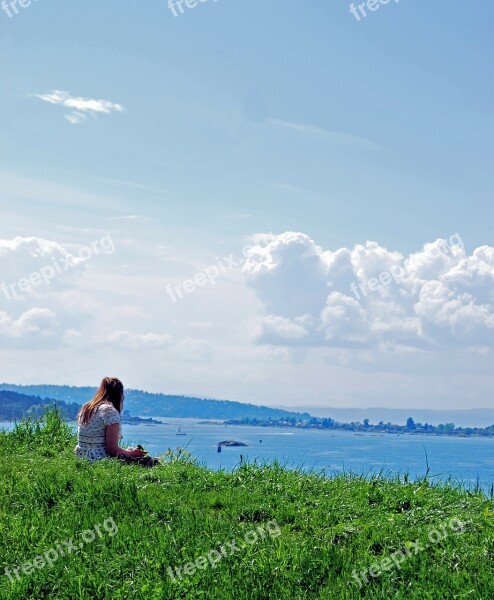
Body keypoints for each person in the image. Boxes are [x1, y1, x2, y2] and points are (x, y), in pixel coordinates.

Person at [75, 376, 156, 465]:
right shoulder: (109, 411)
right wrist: (133, 453)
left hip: (81, 457)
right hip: (98, 459)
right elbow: (112, 450)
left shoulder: (87, 407)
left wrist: (128, 452)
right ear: (118, 395)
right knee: (153, 462)